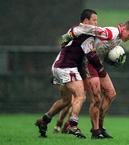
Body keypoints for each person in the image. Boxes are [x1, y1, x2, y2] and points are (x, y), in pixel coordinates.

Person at [54, 20, 129, 138]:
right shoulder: (111, 33)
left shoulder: (118, 38)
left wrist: (112, 59)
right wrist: (69, 35)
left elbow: (102, 48)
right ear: (123, 28)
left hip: (97, 64)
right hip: (88, 63)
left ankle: (100, 127)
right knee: (96, 99)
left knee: (111, 94)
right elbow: (93, 31)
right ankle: (95, 130)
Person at [35, 9, 105, 139]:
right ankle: (72, 125)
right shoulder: (81, 30)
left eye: (96, 20)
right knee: (80, 96)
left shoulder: (77, 31)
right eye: (94, 20)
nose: (96, 23)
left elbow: (64, 41)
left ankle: (44, 121)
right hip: (66, 67)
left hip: (59, 66)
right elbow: (89, 52)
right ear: (86, 21)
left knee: (66, 100)